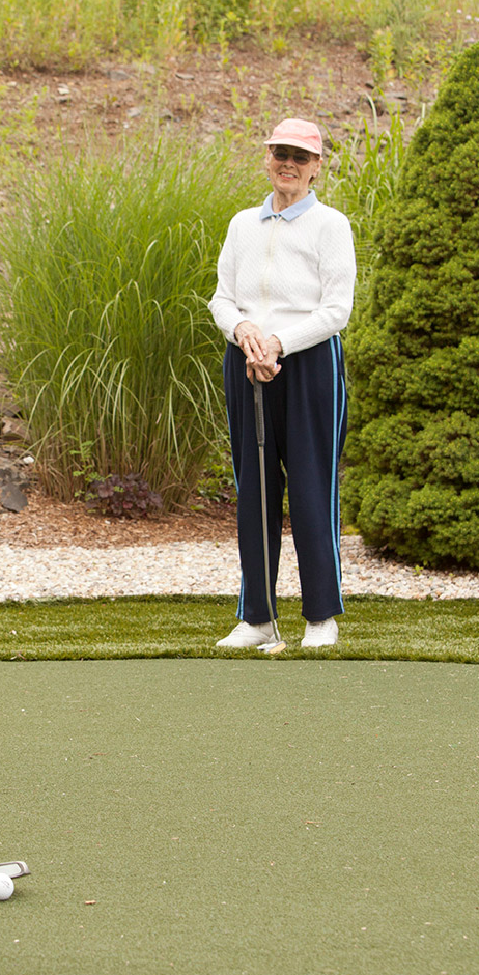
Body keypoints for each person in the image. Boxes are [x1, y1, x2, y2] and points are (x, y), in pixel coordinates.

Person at [208, 118, 357, 650]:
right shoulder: (242, 224)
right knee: (255, 490)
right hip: (245, 360)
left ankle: (321, 617)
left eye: (300, 156)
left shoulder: (331, 226)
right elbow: (222, 297)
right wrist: (244, 331)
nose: (288, 163)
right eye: (280, 153)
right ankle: (258, 618)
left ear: (316, 167)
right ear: (267, 159)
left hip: (310, 363)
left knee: (314, 488)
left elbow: (336, 310)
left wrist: (279, 343)